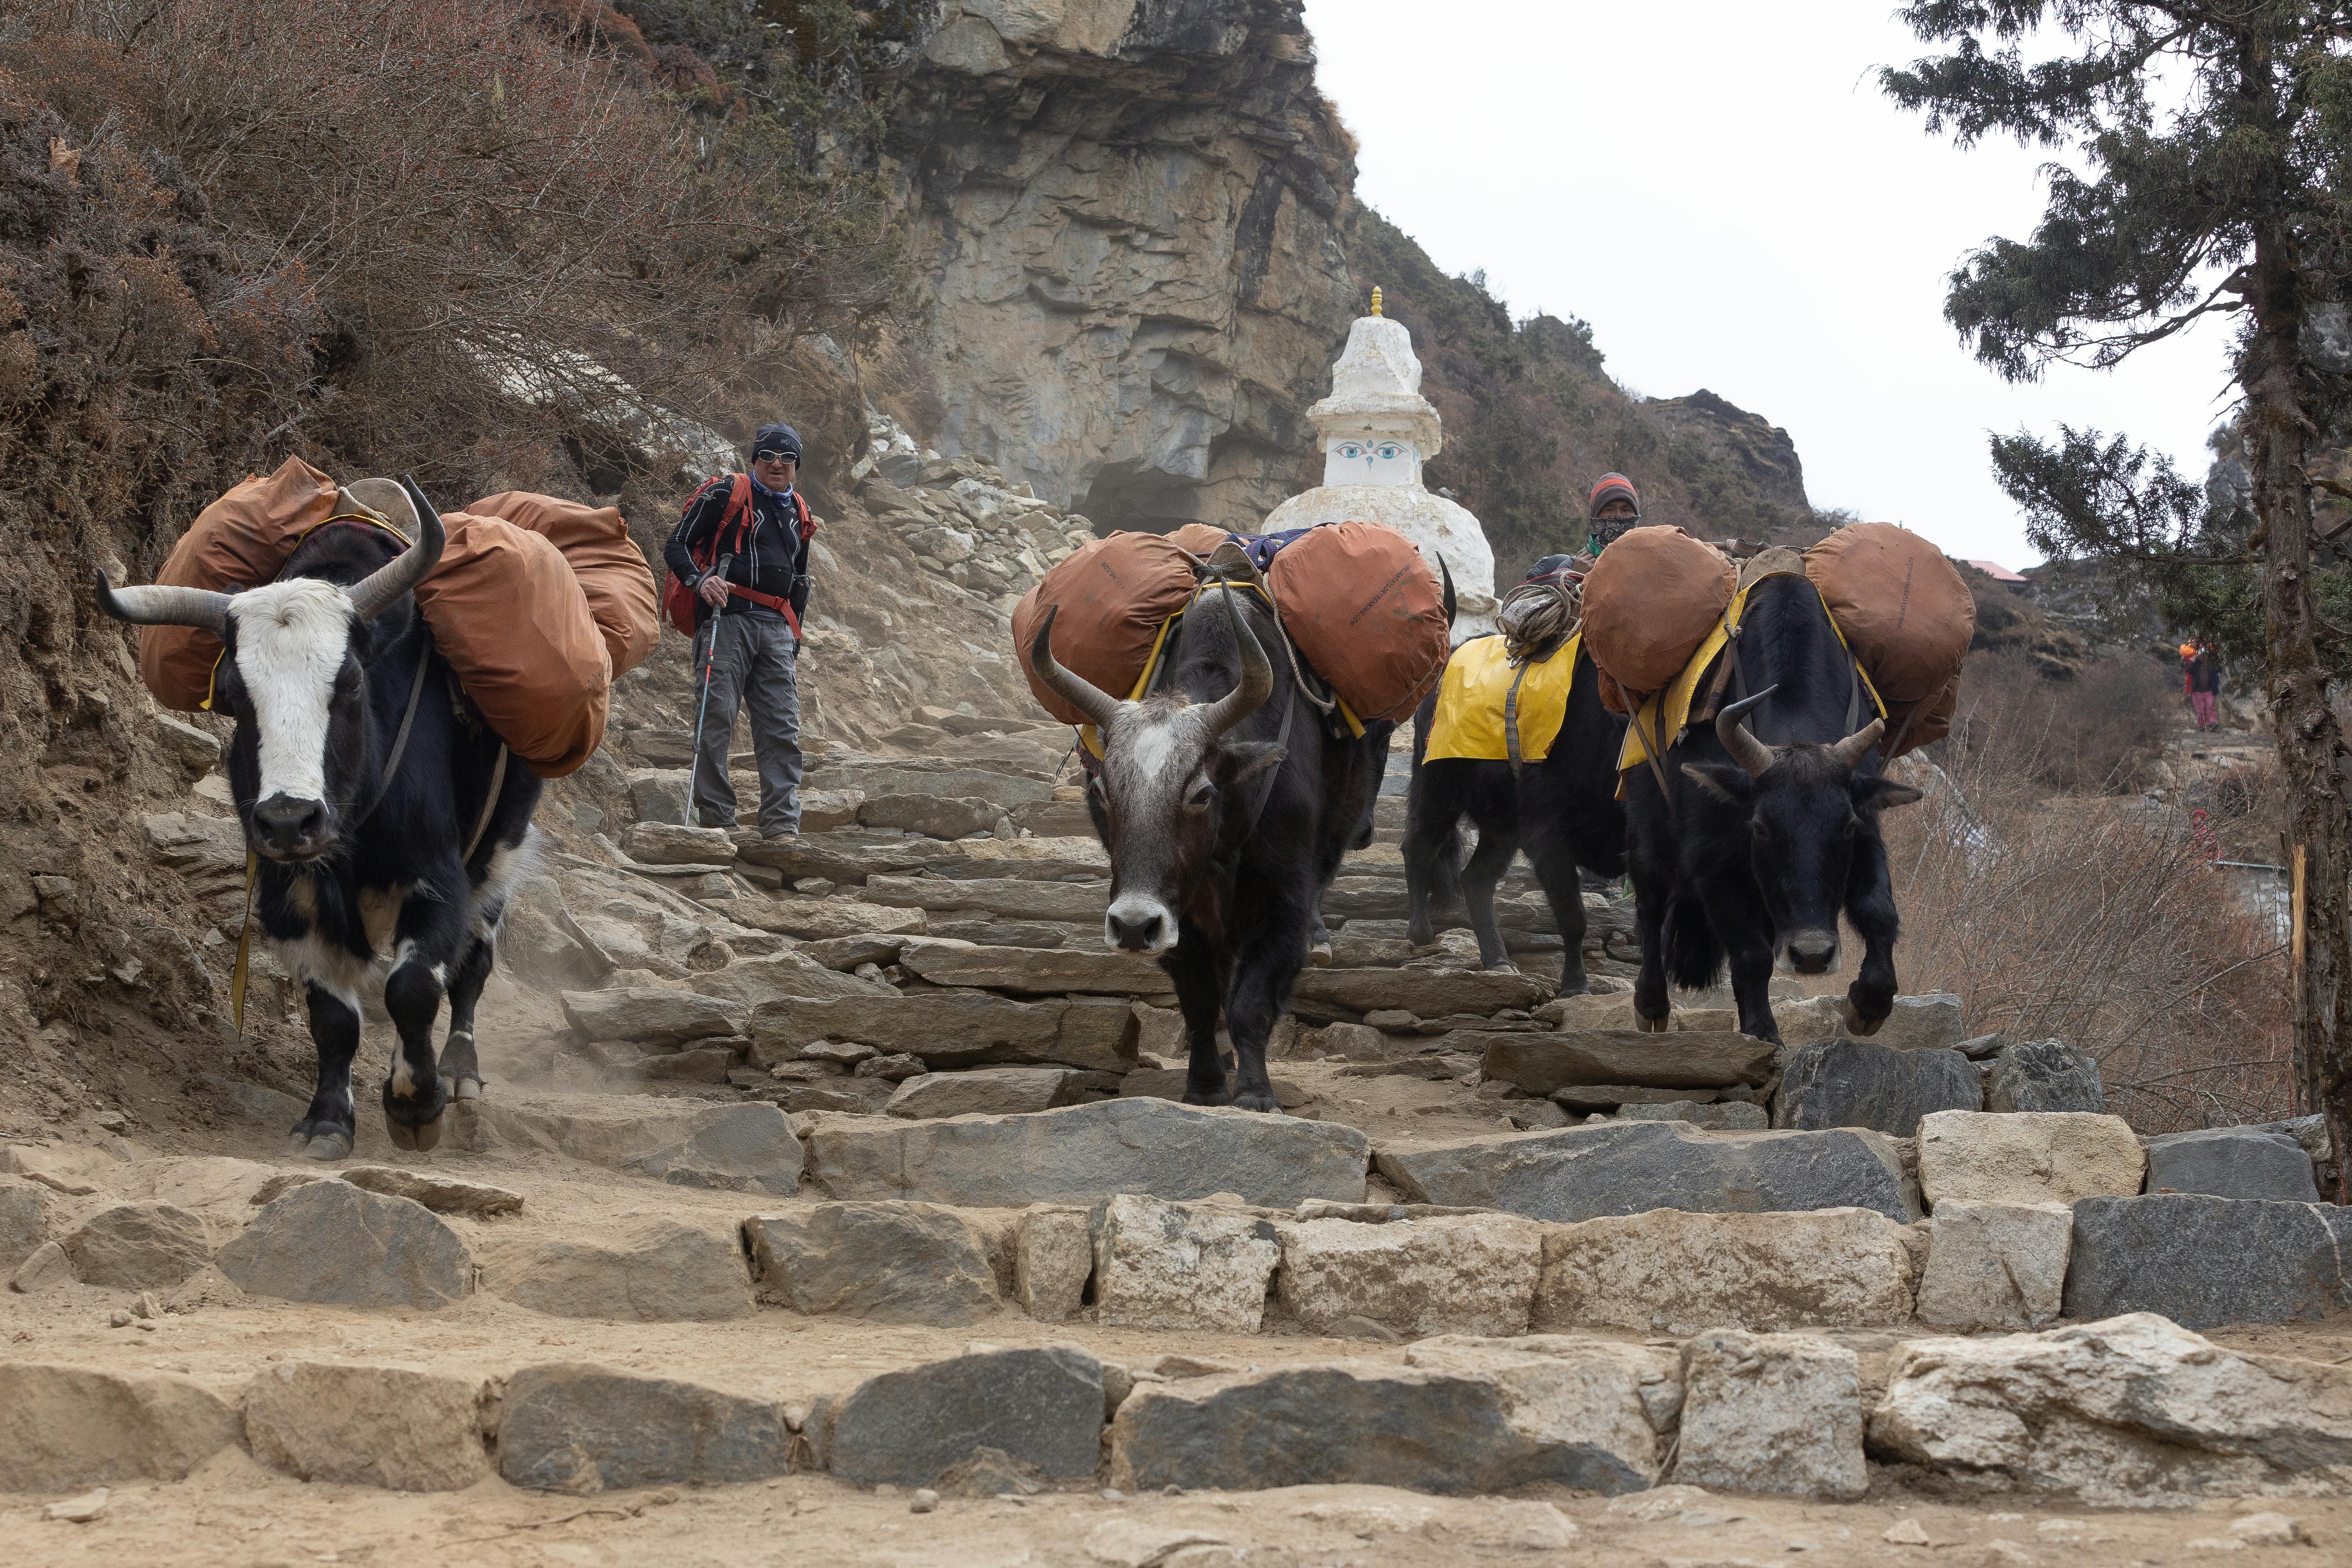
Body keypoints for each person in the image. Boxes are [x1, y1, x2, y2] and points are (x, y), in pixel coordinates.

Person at [663, 423, 815, 838]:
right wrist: (699, 581)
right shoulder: (725, 492)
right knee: (716, 719)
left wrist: (795, 635)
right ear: (755, 460)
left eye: (787, 458)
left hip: (777, 630)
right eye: (767, 457)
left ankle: (782, 827)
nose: (777, 465)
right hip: (726, 621)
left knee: (781, 727)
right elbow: (675, 545)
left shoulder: (799, 511)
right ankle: (717, 821)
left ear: (797, 465)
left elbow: (800, 579)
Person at [1586, 472, 1642, 555]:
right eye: (1610, 510)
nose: (1618, 516)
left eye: (1626, 510)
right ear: (1596, 517)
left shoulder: (1652, 559)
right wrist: (1578, 568)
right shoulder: (1577, 564)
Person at [2184, 640, 2222, 732]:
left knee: (2210, 707)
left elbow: (2220, 669)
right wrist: (2193, 662)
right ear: (2199, 656)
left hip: (2209, 691)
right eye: (2202, 655)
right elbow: (2189, 671)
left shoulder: (2212, 664)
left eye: (2206, 655)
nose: (2204, 657)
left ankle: (2213, 723)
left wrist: (2215, 662)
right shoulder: (2195, 664)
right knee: (2200, 710)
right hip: (2197, 692)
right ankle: (2202, 726)